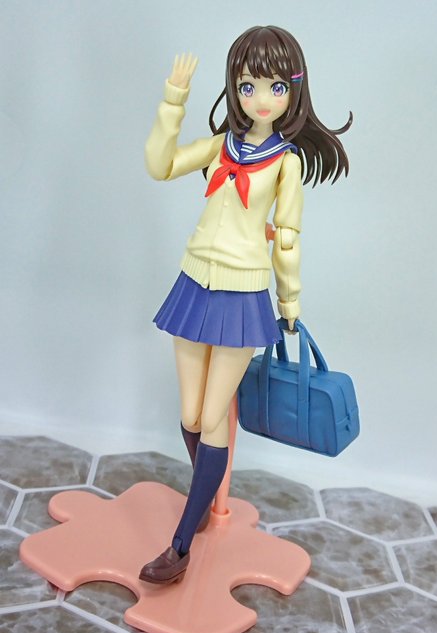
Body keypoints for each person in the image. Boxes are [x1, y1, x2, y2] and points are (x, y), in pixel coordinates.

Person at [139, 26, 351, 585]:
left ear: (293, 91)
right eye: (248, 85)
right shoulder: (220, 146)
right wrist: (173, 101)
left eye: (276, 87)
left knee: (215, 417)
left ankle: (181, 544)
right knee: (190, 415)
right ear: (235, 86)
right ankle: (206, 495)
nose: (261, 99)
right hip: (193, 284)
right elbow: (160, 165)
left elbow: (288, 238)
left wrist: (289, 300)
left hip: (242, 295)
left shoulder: (287, 162)